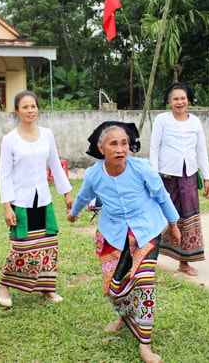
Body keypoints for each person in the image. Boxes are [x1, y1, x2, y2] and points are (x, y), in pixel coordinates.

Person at [67, 122, 181, 363]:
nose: (120, 148)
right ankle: (123, 316)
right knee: (115, 287)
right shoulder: (94, 174)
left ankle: (145, 345)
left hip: (146, 230)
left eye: (124, 143)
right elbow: (84, 196)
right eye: (113, 143)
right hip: (114, 234)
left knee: (144, 282)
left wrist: (173, 223)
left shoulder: (142, 168)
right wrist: (73, 213)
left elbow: (161, 195)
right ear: (101, 148)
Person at [0, 90, 72, 307]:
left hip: (43, 199)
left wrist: (66, 193)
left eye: (33, 106)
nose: (30, 110)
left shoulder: (47, 134)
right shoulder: (9, 139)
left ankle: (46, 288)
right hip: (20, 201)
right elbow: (4, 175)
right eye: (25, 107)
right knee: (21, 246)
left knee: (47, 244)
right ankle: (3, 285)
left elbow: (55, 165)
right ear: (17, 111)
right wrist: (6, 207)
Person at [149, 82, 209, 277]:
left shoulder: (195, 122)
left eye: (182, 98)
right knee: (160, 216)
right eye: (175, 98)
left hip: (189, 177)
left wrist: (207, 178)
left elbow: (201, 151)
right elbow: (154, 149)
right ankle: (148, 260)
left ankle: (184, 262)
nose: (179, 102)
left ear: (188, 100)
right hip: (165, 176)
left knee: (188, 218)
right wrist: (153, 176)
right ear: (169, 101)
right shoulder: (162, 120)